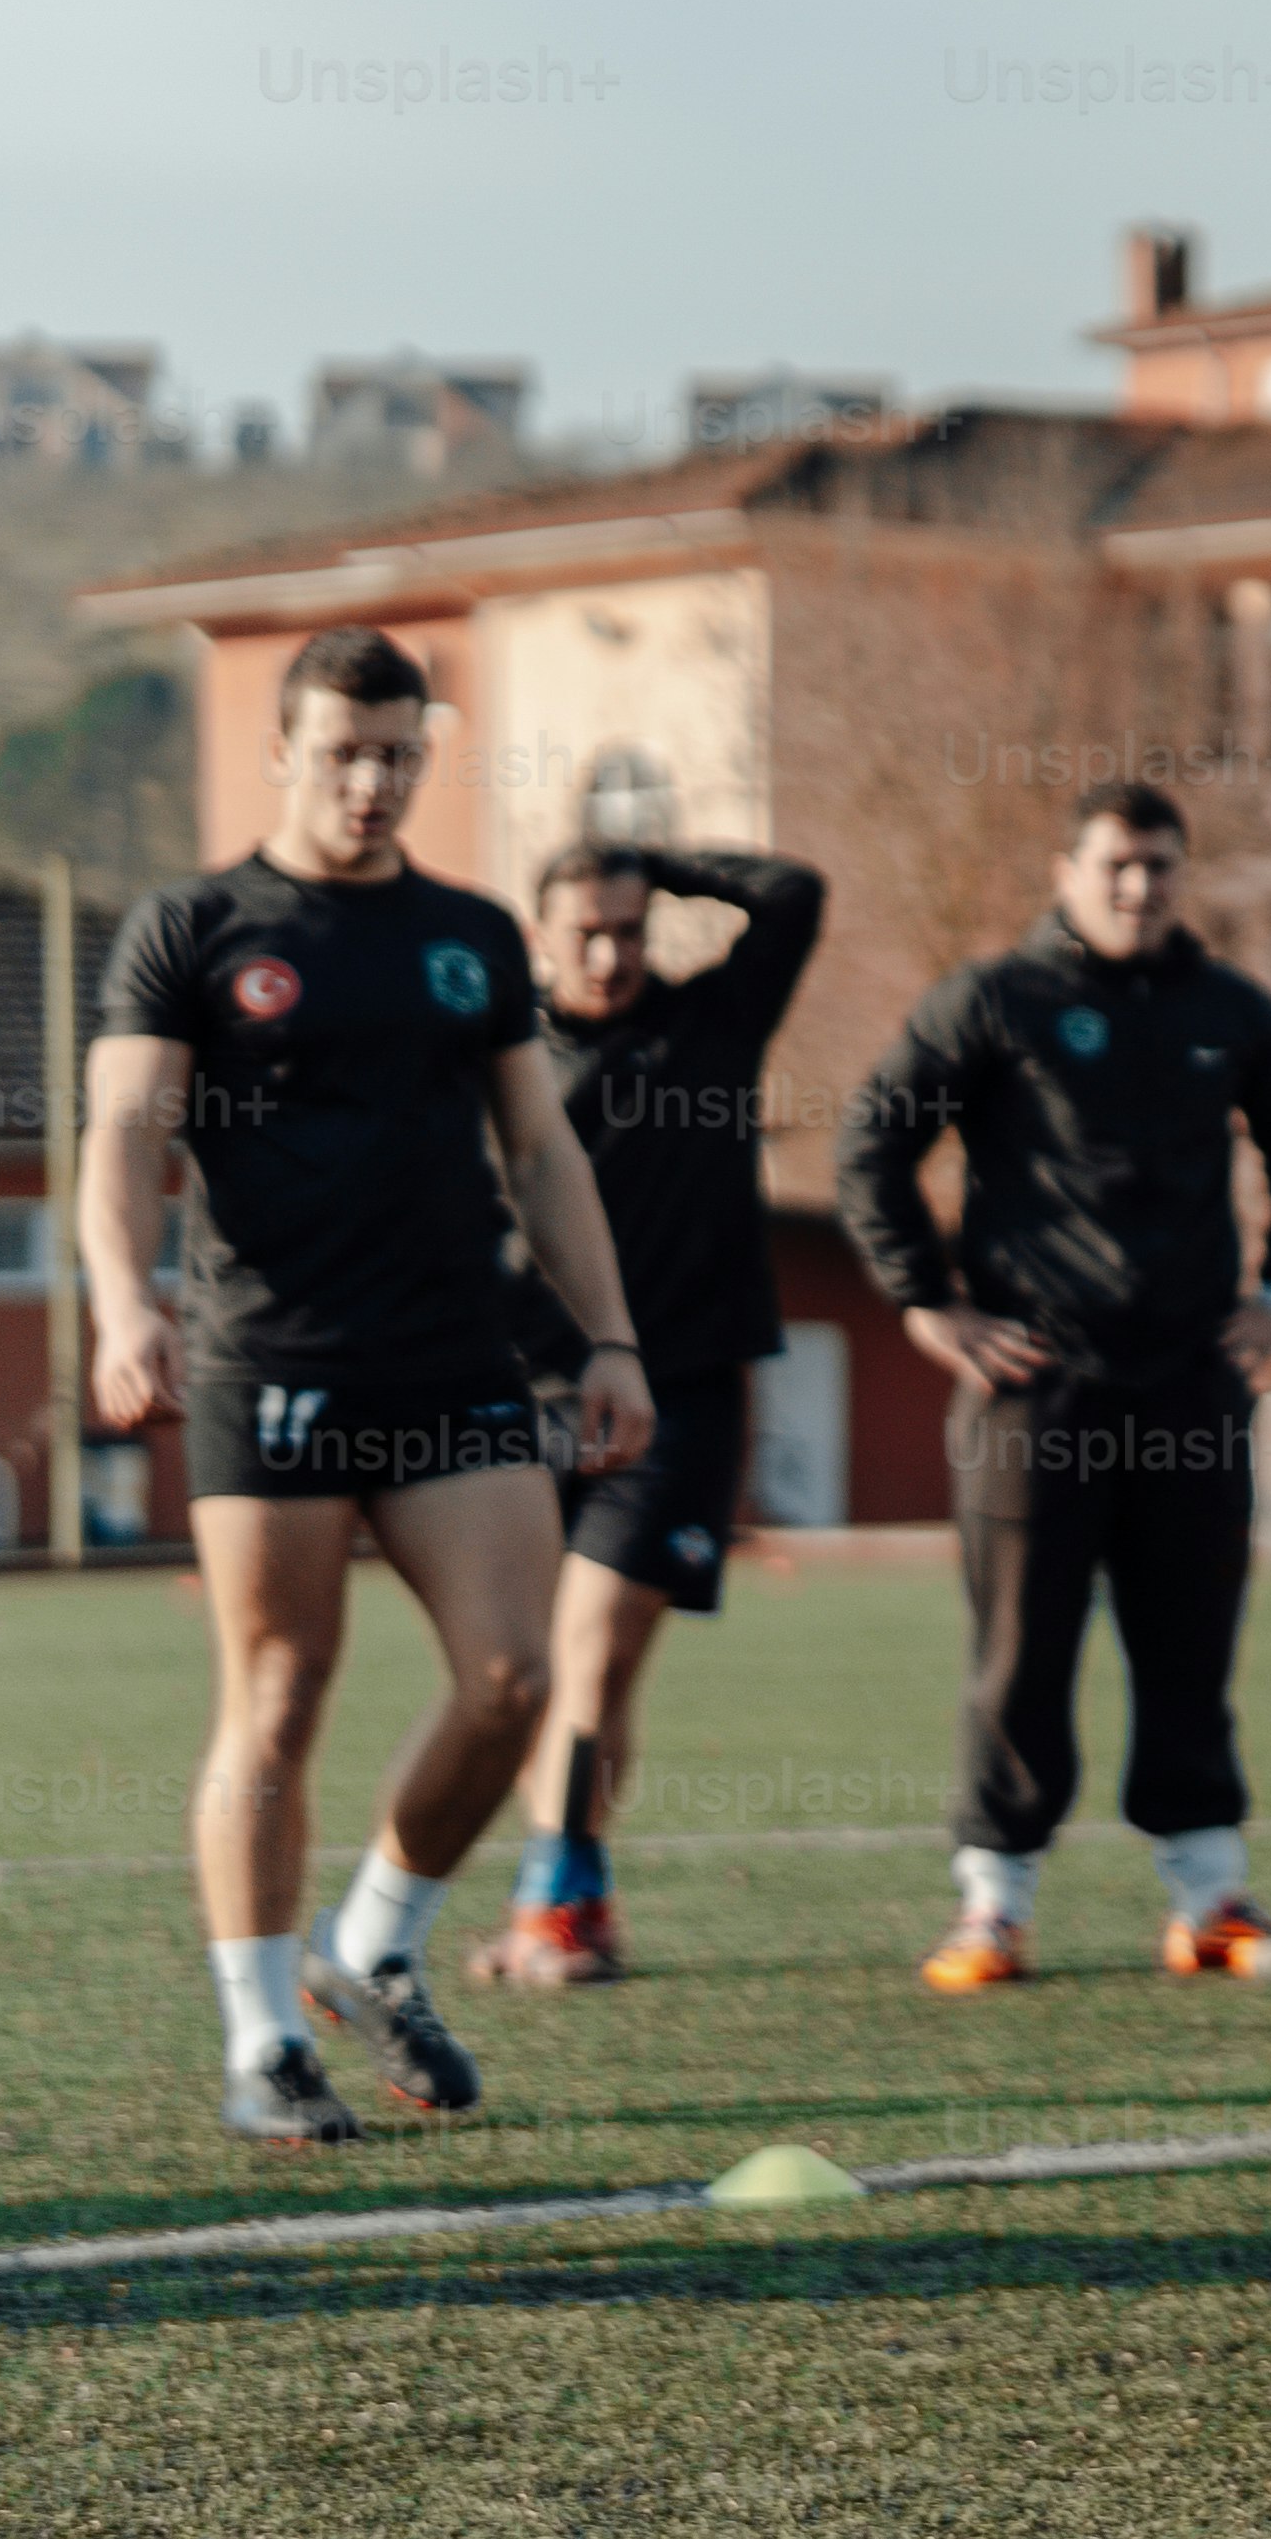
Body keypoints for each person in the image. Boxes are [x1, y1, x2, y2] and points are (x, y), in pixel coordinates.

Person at [79, 626, 659, 2146]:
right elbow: (125, 1136)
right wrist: (116, 1302)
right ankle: (266, 2034)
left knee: (517, 1680)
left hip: (453, 1360)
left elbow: (539, 1151)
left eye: (399, 753)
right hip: (265, 1359)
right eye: (343, 750)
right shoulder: (190, 926)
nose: (371, 780)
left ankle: (376, 1941)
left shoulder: (468, 933)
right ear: (285, 750)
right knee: (277, 1696)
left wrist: (610, 1339)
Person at [835, 778, 1271, 1995]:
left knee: (1191, 1649)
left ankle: (1209, 1902)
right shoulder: (996, 998)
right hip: (1035, 1387)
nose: (1139, 885)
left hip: (1191, 1385)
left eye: (1160, 865)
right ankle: (992, 1910)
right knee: (1021, 1652)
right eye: (1115, 864)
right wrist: (923, 1298)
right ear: (1065, 872)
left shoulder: (1232, 1009)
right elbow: (873, 1138)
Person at [477, 833, 827, 1988]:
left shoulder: (709, 1030)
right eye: (583, 929)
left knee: (588, 1650)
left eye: (629, 929)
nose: (609, 952)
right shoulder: (499, 1055)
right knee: (552, 1673)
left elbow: (793, 892)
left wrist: (660, 866)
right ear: (538, 936)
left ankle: (551, 1907)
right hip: (525, 1399)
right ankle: (582, 1896)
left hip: (678, 1399)